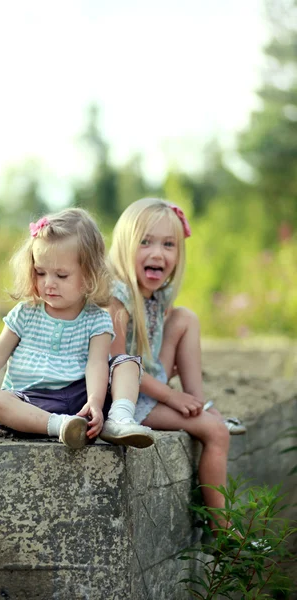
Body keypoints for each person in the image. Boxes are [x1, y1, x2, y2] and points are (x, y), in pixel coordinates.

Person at [0, 208, 154, 450]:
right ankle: (61, 426)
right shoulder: (25, 313)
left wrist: (95, 401)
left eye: (61, 275)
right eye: (40, 272)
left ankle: (119, 419)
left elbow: (96, 364)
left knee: (126, 363)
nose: (49, 283)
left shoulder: (96, 319)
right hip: (31, 403)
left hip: (83, 398)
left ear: (89, 275)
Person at [108, 197, 244, 530]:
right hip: (124, 397)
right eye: (145, 242)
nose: (158, 254)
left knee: (185, 318)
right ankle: (223, 533)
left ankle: (199, 401)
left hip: (149, 381)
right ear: (125, 246)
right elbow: (118, 365)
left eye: (169, 244)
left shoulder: (154, 295)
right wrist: (171, 397)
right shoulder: (117, 298)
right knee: (215, 433)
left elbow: (155, 352)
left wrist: (183, 396)